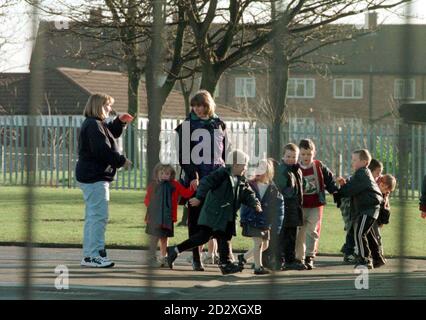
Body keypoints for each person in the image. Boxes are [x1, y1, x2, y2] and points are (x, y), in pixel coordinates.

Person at [166, 150, 262, 275]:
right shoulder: (221, 174)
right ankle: (224, 263)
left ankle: (176, 250)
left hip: (226, 214)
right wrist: (199, 198)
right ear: (235, 164)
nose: (246, 167)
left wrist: (255, 203)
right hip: (214, 213)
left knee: (221, 236)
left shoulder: (241, 179)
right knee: (209, 236)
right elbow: (206, 183)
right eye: (244, 164)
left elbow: (248, 193)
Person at [175, 90, 231, 271]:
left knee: (220, 216)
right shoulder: (186, 125)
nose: (198, 109)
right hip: (196, 177)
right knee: (195, 219)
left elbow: (224, 152)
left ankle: (224, 256)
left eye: (201, 105)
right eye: (195, 106)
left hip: (217, 176)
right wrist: (193, 176)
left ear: (209, 105)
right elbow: (183, 156)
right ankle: (196, 257)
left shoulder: (219, 124)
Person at [76, 93, 133, 268]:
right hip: (95, 177)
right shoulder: (94, 125)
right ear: (99, 105)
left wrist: (120, 122)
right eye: (107, 105)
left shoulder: (96, 124)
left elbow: (110, 132)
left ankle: (90, 254)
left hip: (92, 176)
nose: (110, 108)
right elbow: (102, 149)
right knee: (98, 217)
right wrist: (122, 161)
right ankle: (94, 254)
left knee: (93, 216)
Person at [295, 139, 339, 270]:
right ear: (299, 154)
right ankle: (299, 257)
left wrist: (335, 192)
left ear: (314, 153)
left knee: (312, 231)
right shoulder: (296, 168)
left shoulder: (319, 166)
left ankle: (309, 257)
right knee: (299, 232)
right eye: (303, 154)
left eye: (309, 154)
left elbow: (329, 180)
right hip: (300, 205)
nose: (306, 157)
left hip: (315, 204)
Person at [336, 149, 383, 269]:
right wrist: (344, 185)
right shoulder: (362, 173)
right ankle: (377, 258)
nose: (352, 162)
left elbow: (350, 190)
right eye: (352, 160)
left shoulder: (362, 173)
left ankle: (365, 260)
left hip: (368, 209)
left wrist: (339, 191)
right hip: (369, 208)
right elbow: (352, 187)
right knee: (368, 234)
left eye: (355, 160)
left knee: (359, 233)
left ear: (365, 162)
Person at [144, 163, 197, 267]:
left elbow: (185, 193)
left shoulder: (175, 185)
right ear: (157, 174)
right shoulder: (153, 185)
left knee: (164, 238)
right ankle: (152, 257)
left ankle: (164, 257)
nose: (164, 175)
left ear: (171, 174)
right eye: (162, 173)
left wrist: (192, 188)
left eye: (167, 173)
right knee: (154, 237)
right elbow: (147, 199)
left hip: (167, 218)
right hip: (154, 217)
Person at [238, 159, 285, 275]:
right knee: (258, 243)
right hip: (252, 219)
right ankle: (258, 267)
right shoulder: (250, 185)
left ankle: (243, 257)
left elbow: (279, 208)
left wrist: (277, 226)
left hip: (265, 222)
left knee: (265, 244)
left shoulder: (273, 188)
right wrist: (244, 219)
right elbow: (244, 204)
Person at [274, 143, 306, 270]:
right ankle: (280, 260)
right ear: (283, 156)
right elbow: (280, 189)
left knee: (291, 235)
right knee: (284, 236)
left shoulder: (296, 170)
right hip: (286, 207)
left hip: (294, 207)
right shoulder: (283, 170)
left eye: (294, 157)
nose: (291, 159)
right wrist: (290, 194)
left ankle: (289, 260)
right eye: (288, 156)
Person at [368, 174, 396, 268]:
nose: (386, 192)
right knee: (376, 236)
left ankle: (379, 255)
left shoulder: (384, 193)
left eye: (388, 191)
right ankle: (375, 256)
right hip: (370, 214)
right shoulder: (373, 187)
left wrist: (383, 219)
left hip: (377, 216)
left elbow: (385, 206)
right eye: (386, 189)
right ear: (381, 184)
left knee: (377, 236)